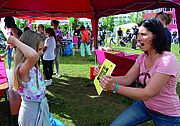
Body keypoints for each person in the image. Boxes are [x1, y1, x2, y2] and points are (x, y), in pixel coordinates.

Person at [94, 18, 180, 125]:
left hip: (167, 113)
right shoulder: (142, 57)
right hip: (145, 105)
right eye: (138, 34)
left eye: (143, 34)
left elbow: (147, 93)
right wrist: (105, 77)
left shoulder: (168, 60)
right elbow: (126, 79)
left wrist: (114, 87)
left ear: (156, 37)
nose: (138, 38)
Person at [7, 30, 51, 125]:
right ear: (30, 48)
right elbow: (33, 56)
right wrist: (16, 42)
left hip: (39, 108)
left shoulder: (33, 67)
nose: (42, 52)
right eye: (39, 49)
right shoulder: (23, 69)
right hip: (30, 114)